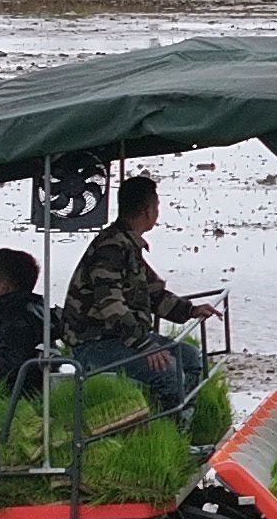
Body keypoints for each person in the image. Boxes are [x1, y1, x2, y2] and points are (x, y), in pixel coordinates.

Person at [60, 173, 218, 418]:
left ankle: (181, 423)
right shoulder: (111, 248)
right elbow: (110, 305)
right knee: (168, 372)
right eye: (157, 206)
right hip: (95, 342)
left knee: (189, 357)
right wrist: (144, 345)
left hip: (121, 337)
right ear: (148, 211)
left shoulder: (128, 245)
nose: (157, 212)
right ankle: (168, 427)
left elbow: (153, 293)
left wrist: (190, 310)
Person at [0, 247, 49, 389]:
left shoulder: (17, 318)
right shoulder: (35, 310)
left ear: (4, 287)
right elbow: (5, 354)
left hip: (19, 394)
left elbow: (14, 362)